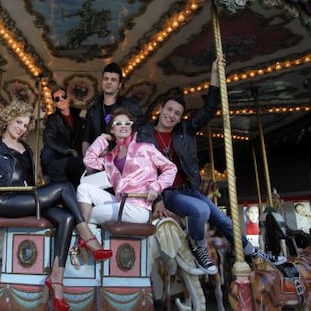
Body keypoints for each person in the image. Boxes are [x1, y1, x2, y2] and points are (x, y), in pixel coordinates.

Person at [0, 101, 112, 311]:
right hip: (7, 201)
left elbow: (32, 181)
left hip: (27, 198)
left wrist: (45, 194)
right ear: (8, 119)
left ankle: (56, 279)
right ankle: (87, 236)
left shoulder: (25, 149)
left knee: (66, 217)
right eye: (19, 122)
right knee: (63, 188)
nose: (22, 128)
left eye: (25, 125)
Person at [137, 58, 286, 274]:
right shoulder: (145, 134)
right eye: (169, 110)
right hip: (165, 192)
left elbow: (209, 109)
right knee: (201, 209)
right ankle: (197, 245)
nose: (171, 116)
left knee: (224, 220)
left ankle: (252, 251)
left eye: (177, 113)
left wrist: (215, 74)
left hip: (188, 188)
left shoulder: (185, 130)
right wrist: (158, 200)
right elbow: (145, 171)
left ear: (180, 118)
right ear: (161, 109)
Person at [77, 108, 177, 225]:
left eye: (127, 123)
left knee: (91, 213)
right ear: (112, 129)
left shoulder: (145, 148)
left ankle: (86, 238)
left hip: (139, 208)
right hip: (121, 202)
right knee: (83, 188)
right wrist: (102, 139)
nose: (123, 126)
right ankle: (87, 236)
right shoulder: (110, 158)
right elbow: (89, 160)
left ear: (131, 128)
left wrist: (155, 187)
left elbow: (171, 168)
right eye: (118, 123)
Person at [82, 62, 145, 156]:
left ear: (119, 85)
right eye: (106, 78)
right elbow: (86, 140)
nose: (109, 82)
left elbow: (140, 136)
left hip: (123, 160)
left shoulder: (131, 107)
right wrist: (88, 164)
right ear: (102, 81)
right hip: (98, 161)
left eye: (113, 79)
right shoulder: (93, 109)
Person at [40, 87, 84, 186]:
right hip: (61, 154)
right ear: (55, 104)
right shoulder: (53, 119)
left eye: (63, 97)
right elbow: (48, 139)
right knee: (46, 152)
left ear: (68, 98)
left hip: (77, 156)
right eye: (57, 99)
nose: (61, 100)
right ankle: (48, 179)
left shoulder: (80, 119)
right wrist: (67, 150)